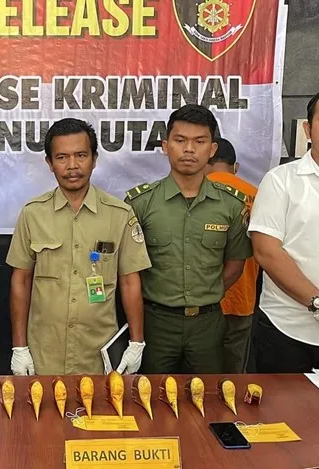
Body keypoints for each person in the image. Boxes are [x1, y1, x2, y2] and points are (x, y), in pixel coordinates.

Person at [6, 118, 151, 375]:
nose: (72, 166)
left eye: (81, 155)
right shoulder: (33, 214)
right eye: (62, 157)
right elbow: (21, 280)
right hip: (44, 354)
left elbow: (130, 281)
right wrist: (20, 348)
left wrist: (136, 343)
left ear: (94, 159)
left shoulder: (119, 214)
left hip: (98, 355)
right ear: (49, 163)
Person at [126, 104, 253, 374]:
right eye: (180, 140)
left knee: (208, 395)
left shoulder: (231, 205)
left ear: (212, 149)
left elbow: (235, 263)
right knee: (151, 395)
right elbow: (129, 270)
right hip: (155, 322)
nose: (189, 149)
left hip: (208, 324)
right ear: (165, 146)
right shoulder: (141, 203)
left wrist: (206, 293)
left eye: (199, 141)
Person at [249, 92, 319, 373]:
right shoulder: (281, 181)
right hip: (287, 331)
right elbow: (267, 251)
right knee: (285, 402)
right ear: (308, 129)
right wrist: (316, 302)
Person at [206, 138, 259, 373]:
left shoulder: (196, 191)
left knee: (198, 374)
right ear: (235, 167)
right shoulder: (255, 194)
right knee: (234, 374)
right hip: (242, 297)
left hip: (202, 301)